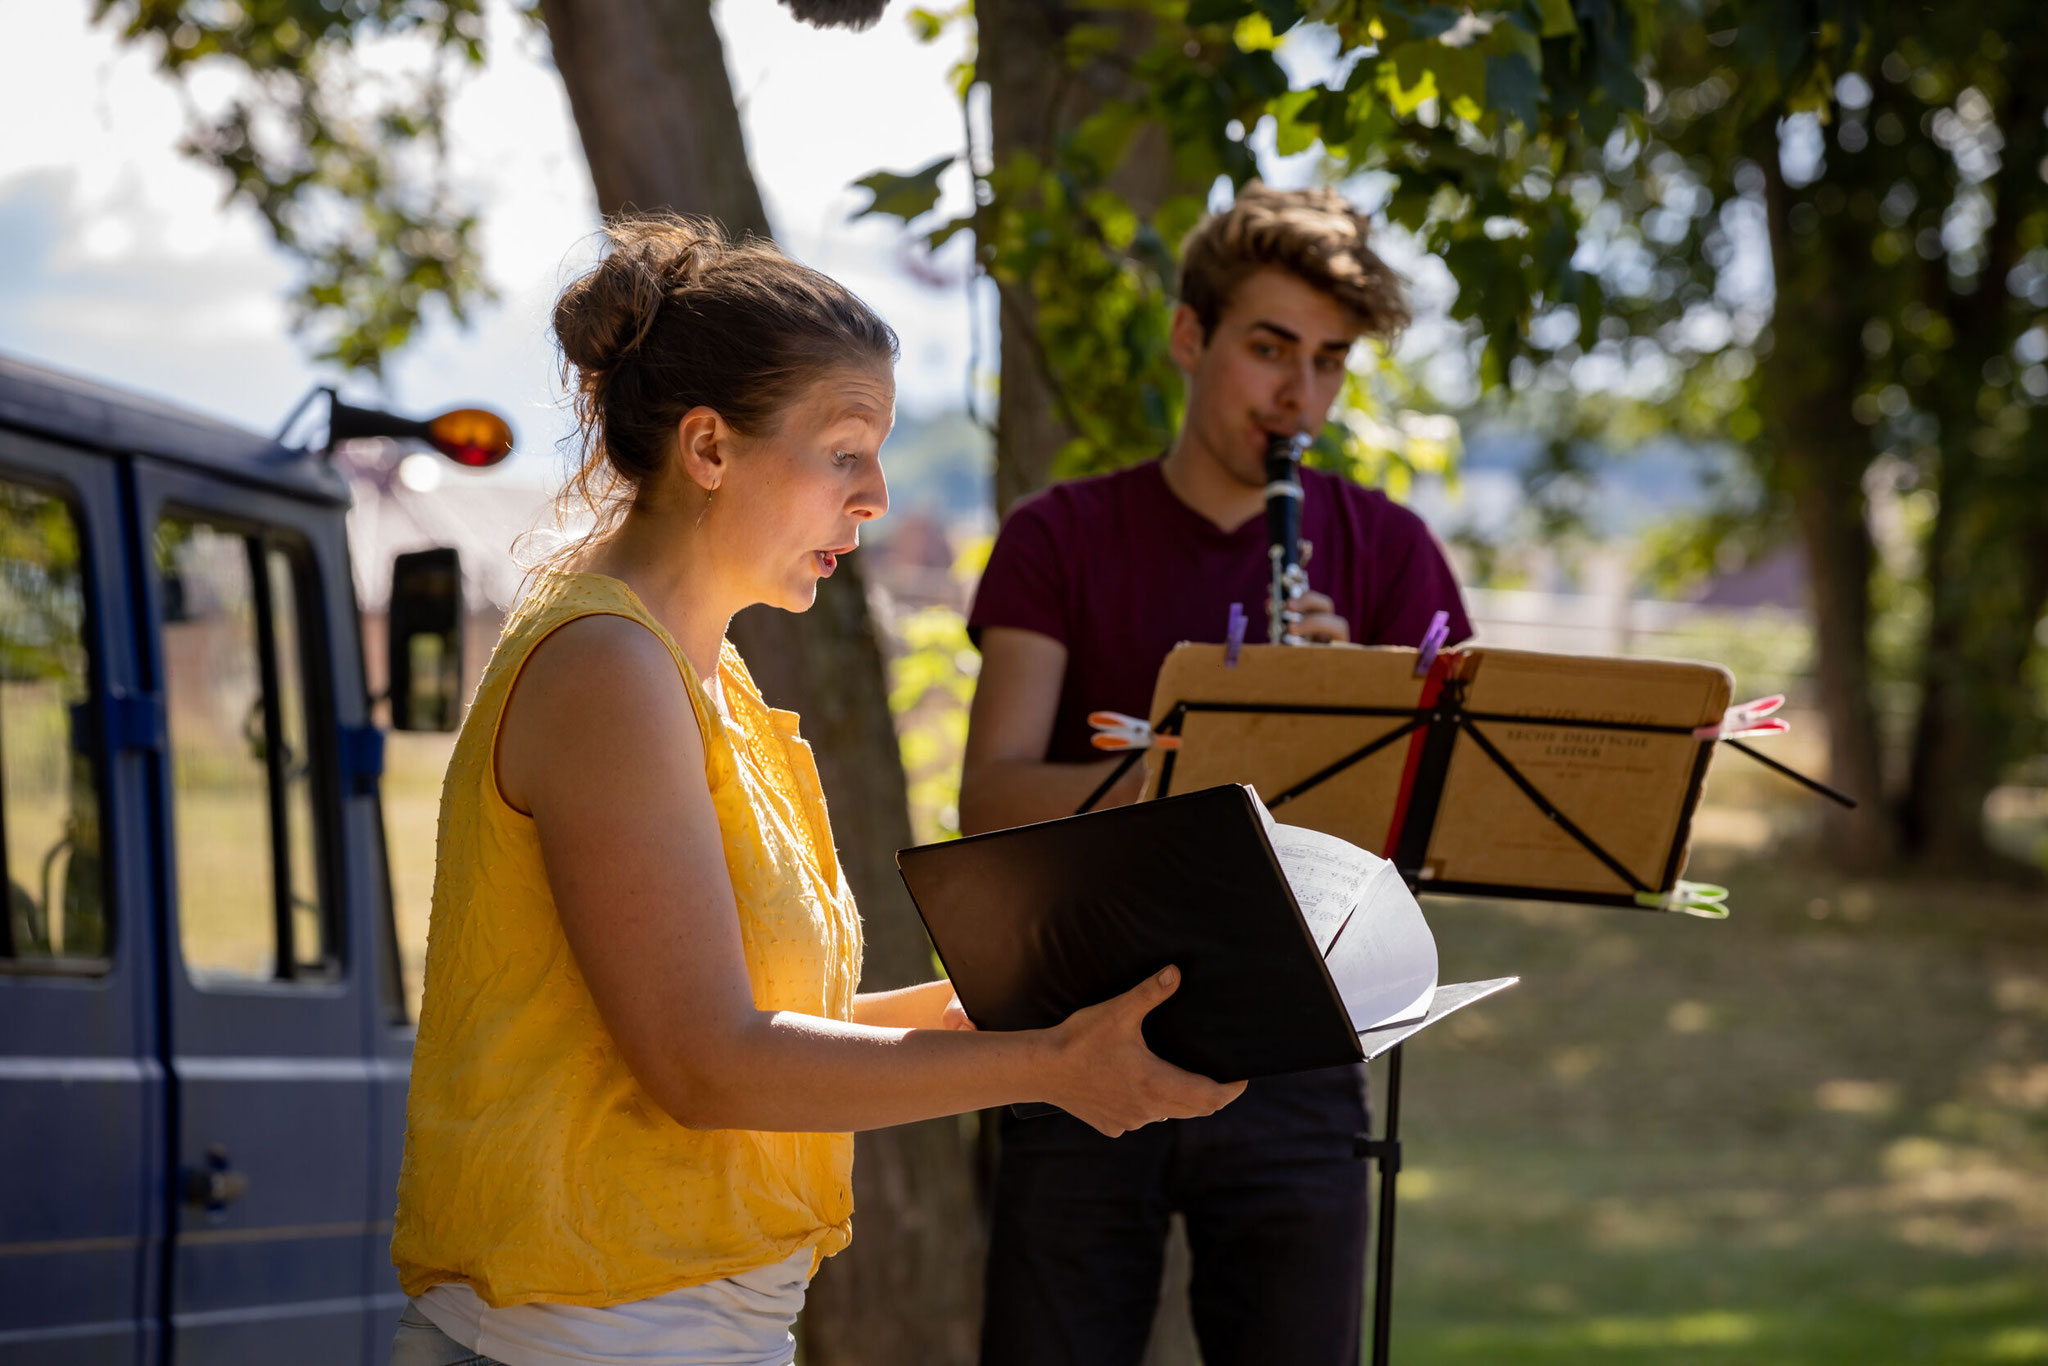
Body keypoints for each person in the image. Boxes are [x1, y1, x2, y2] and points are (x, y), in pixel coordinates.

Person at [387, 214, 1243, 1366]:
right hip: (578, 1337)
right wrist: (1047, 1067)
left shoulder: (700, 672)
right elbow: (706, 1062)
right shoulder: (607, 670)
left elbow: (777, 1028)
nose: (877, 493)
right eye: (844, 450)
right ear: (708, 449)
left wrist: (1009, 1008)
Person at [960, 183, 1474, 1366]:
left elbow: (1436, 833)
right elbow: (989, 798)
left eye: (1330, 362)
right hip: (1073, 1032)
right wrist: (1194, 762)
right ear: (1190, 338)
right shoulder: (1058, 535)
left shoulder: (1389, 552)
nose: (1299, 396)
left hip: (1296, 1044)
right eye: (1267, 348)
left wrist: (1355, 723)